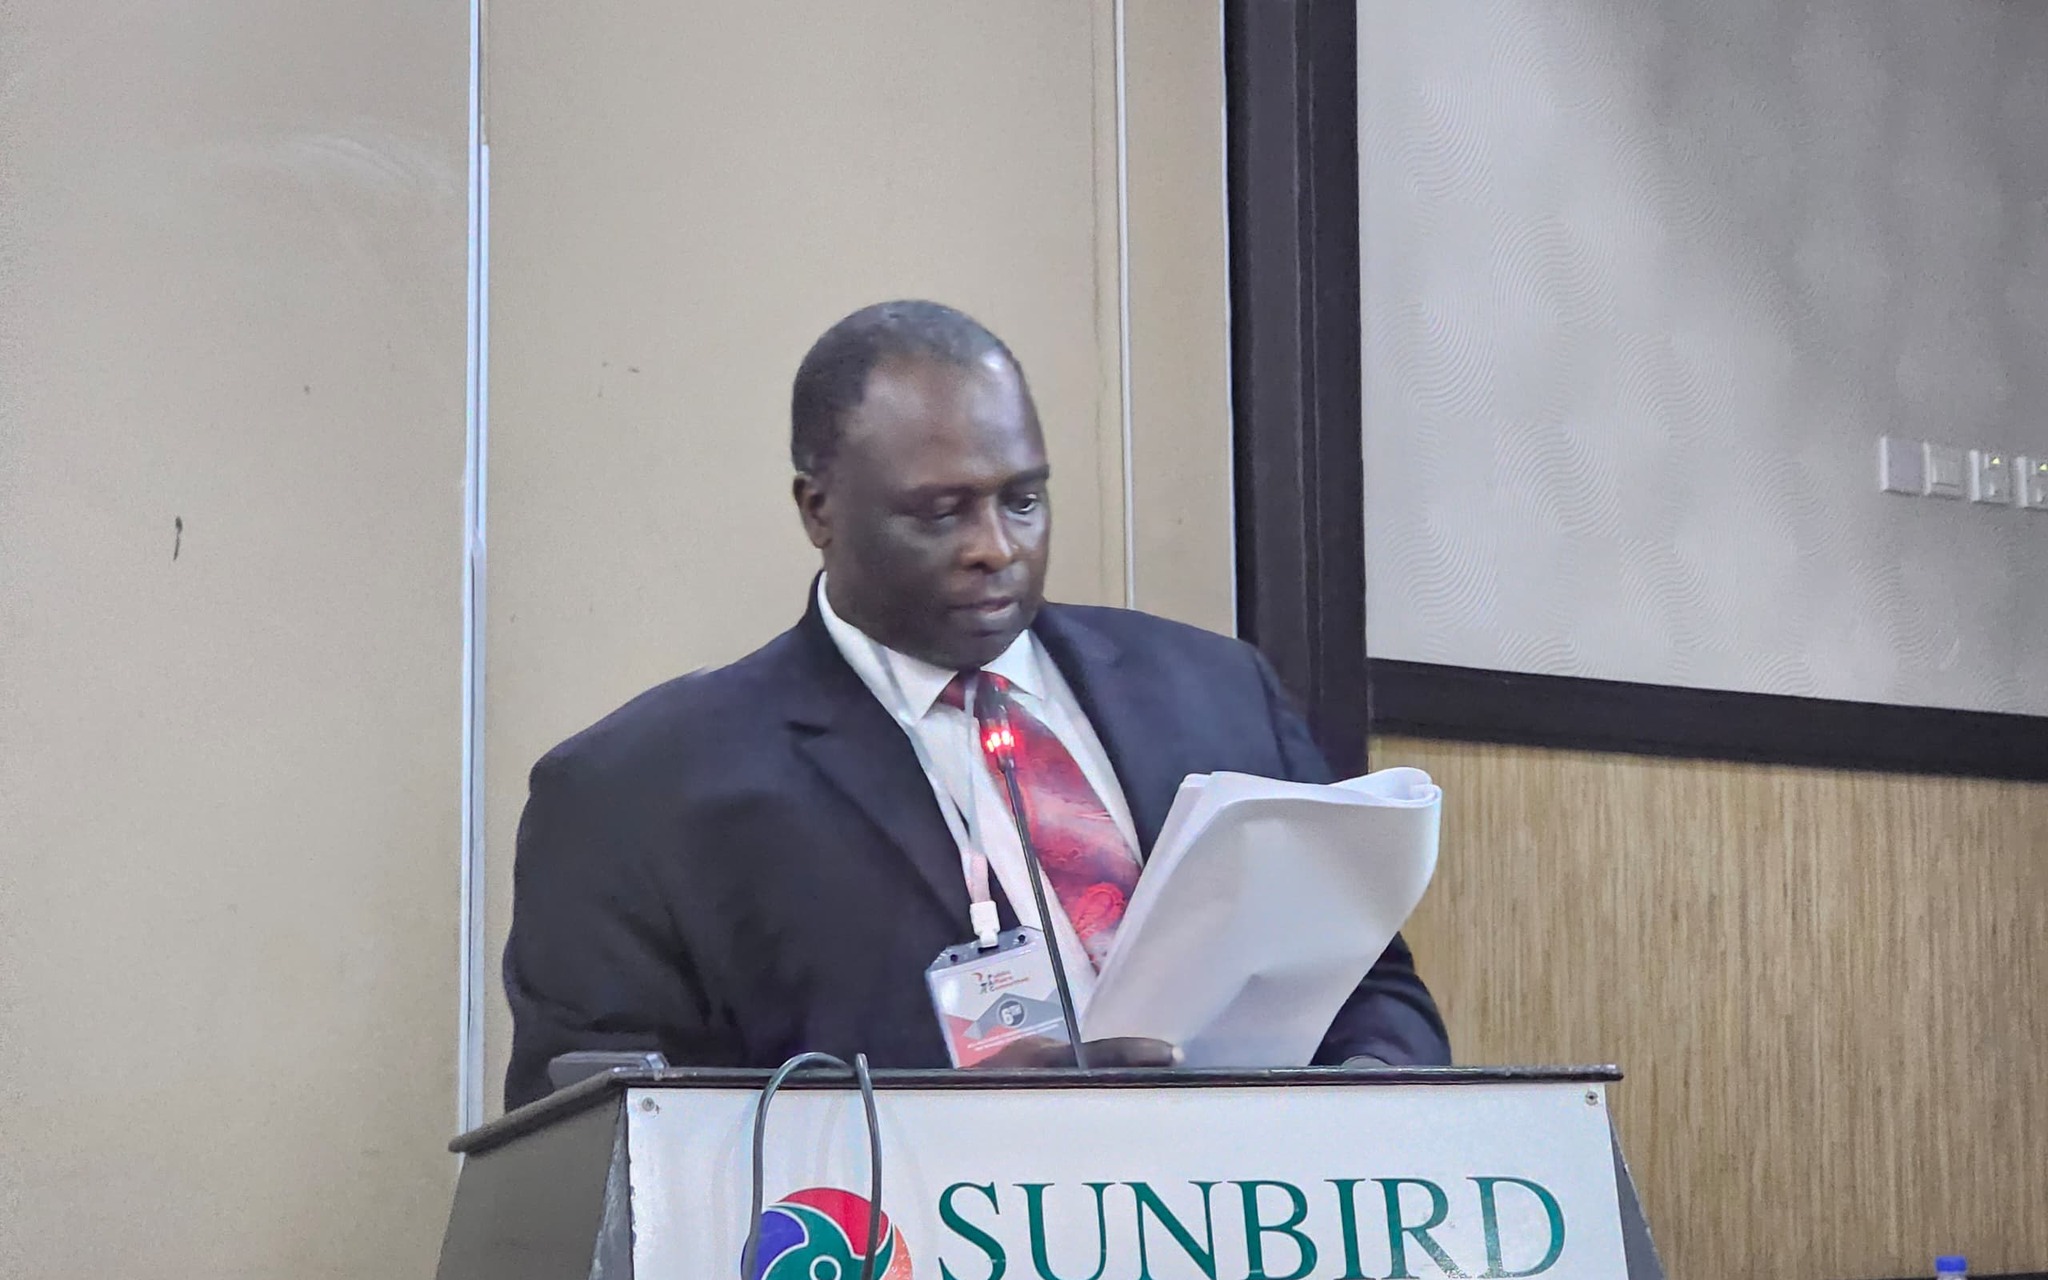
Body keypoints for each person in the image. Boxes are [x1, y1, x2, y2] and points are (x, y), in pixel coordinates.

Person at [501, 300, 1447, 1110]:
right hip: (902, 1258)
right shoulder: (640, 797)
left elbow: (1370, 985)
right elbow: (609, 1144)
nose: (996, 547)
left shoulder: (1218, 691)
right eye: (940, 512)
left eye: (1023, 500)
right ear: (818, 509)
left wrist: (1359, 1104)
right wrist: (958, 1123)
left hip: (1253, 1231)